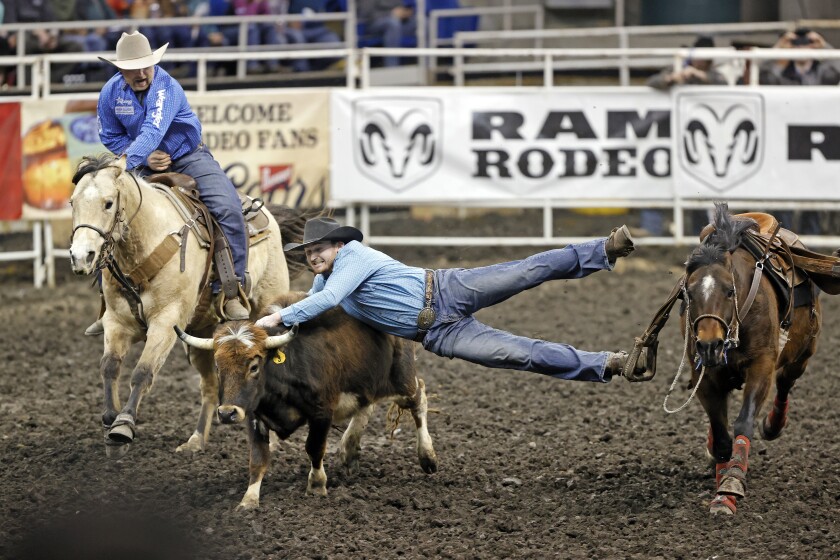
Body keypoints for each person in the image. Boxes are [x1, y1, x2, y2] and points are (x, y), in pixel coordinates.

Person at [254, 217, 649, 383]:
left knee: (527, 271)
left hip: (445, 289)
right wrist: (279, 313)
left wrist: (274, 320)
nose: (312, 258)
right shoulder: (327, 280)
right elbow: (312, 300)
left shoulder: (353, 258)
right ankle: (611, 363)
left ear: (340, 246)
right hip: (441, 333)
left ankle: (603, 249)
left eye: (318, 250)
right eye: (307, 254)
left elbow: (327, 300)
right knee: (519, 355)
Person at [88, 31, 250, 335]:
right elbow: (108, 135)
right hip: (143, 162)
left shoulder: (166, 87)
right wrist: (144, 160)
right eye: (133, 67)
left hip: (189, 156)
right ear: (120, 69)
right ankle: (108, 303)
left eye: (146, 65)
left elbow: (152, 131)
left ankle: (233, 288)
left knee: (227, 208)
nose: (141, 73)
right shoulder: (110, 93)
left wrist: (127, 161)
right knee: (110, 216)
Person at [759, 28, 840, 235]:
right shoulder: (782, 72)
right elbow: (763, 71)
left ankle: (808, 246)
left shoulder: (824, 72)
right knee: (782, 196)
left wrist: (824, 46)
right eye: (797, 44)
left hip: (814, 143)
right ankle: (782, 242)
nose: (802, 48)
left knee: (812, 197)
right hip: (786, 141)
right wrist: (780, 47)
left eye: (807, 43)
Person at [644, 35, 726, 238]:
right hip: (678, 138)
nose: (700, 62)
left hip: (706, 143)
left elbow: (724, 85)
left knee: (705, 190)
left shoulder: (715, 75)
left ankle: (705, 233)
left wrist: (699, 77)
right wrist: (673, 78)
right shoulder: (677, 69)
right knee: (659, 179)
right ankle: (653, 229)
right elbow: (652, 82)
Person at [357, 0, 416, 67]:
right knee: (393, 24)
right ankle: (392, 67)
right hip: (374, 24)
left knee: (423, 23)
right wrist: (390, 14)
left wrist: (405, 13)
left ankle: (428, 67)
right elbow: (365, 13)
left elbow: (400, 7)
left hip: (401, 22)